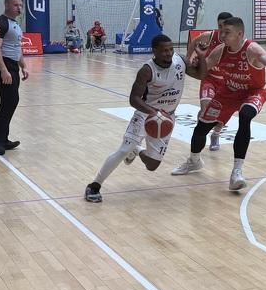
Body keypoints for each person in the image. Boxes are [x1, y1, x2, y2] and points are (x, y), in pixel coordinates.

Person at [170, 17, 266, 190]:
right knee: (201, 127)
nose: (222, 35)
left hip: (252, 92)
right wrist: (198, 59)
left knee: (245, 116)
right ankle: (194, 161)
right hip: (228, 91)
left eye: (227, 32)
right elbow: (202, 72)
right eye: (222, 31)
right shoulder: (220, 50)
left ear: (239, 34)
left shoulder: (252, 49)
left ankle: (236, 172)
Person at [84, 35, 207, 203]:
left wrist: (201, 56)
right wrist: (153, 112)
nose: (169, 53)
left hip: (167, 118)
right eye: (164, 50)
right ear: (154, 51)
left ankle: (137, 149)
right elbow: (134, 98)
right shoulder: (146, 70)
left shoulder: (181, 61)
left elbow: (201, 75)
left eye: (171, 49)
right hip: (145, 114)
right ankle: (94, 186)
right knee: (123, 150)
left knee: (152, 165)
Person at [0, 0, 28, 156]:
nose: (19, 8)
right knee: (10, 100)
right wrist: (3, 70)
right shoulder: (1, 23)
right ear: (7, 5)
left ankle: (3, 139)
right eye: (16, 5)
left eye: (20, 5)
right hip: (2, 65)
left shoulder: (14, 24)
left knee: (10, 101)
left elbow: (17, 46)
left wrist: (23, 66)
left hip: (12, 65)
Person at [194, 12, 234, 152]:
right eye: (220, 25)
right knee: (205, 108)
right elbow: (194, 42)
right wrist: (189, 58)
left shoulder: (235, 41)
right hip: (209, 79)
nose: (222, 29)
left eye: (225, 26)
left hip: (225, 83)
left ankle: (215, 134)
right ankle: (200, 132)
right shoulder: (210, 36)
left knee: (220, 114)